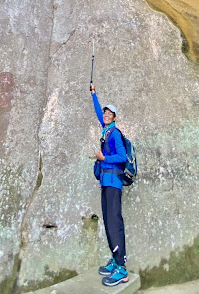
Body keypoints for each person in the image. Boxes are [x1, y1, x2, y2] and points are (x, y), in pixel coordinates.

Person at [90, 82, 129, 287]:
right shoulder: (106, 130)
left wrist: (103, 157)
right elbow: (97, 112)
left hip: (114, 183)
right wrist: (94, 94)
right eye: (105, 112)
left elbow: (121, 156)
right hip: (107, 183)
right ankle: (116, 262)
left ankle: (121, 270)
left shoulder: (114, 134)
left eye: (109, 113)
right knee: (109, 223)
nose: (105, 114)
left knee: (114, 224)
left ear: (114, 117)